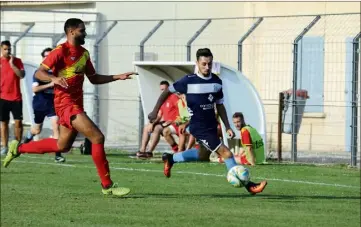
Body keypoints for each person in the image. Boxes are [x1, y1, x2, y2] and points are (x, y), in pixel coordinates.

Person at [3, 18, 137, 197]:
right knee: (97, 137)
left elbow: (94, 78)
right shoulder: (60, 51)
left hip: (76, 103)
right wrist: (54, 78)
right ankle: (107, 185)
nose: (85, 33)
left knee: (62, 145)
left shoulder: (84, 53)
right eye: (82, 30)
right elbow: (38, 72)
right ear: (72, 32)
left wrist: (117, 76)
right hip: (65, 104)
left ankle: (18, 148)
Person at [148, 48, 267, 195]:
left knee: (202, 156)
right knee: (227, 154)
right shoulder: (188, 81)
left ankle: (170, 158)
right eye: (203, 64)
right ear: (197, 63)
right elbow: (166, 92)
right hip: (198, 127)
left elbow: (220, 105)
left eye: (209, 64)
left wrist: (228, 126)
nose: (207, 67)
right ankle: (250, 186)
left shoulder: (217, 82)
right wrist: (154, 111)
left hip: (211, 125)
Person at [23, 47, 65, 163]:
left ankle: (58, 155)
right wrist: (50, 84)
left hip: (52, 104)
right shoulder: (39, 73)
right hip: (40, 103)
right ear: (42, 59)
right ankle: (24, 143)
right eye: (45, 56)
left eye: (49, 55)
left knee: (56, 127)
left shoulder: (57, 72)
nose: (48, 58)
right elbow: (35, 89)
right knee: (37, 130)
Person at [136, 81, 180, 158]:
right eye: (161, 90)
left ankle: (149, 152)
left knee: (157, 128)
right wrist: (152, 124)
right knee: (147, 127)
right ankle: (142, 150)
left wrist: (173, 120)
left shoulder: (174, 97)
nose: (163, 91)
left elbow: (181, 110)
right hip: (166, 122)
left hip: (174, 122)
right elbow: (159, 115)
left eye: (165, 89)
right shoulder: (162, 100)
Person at [0, 40, 25, 156]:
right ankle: (4, 146)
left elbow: (22, 75)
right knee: (4, 123)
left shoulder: (17, 61)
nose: (8, 51)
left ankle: (16, 146)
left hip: (16, 98)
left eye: (9, 49)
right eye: (5, 49)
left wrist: (12, 64)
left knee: (18, 123)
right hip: (2, 98)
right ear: (1, 50)